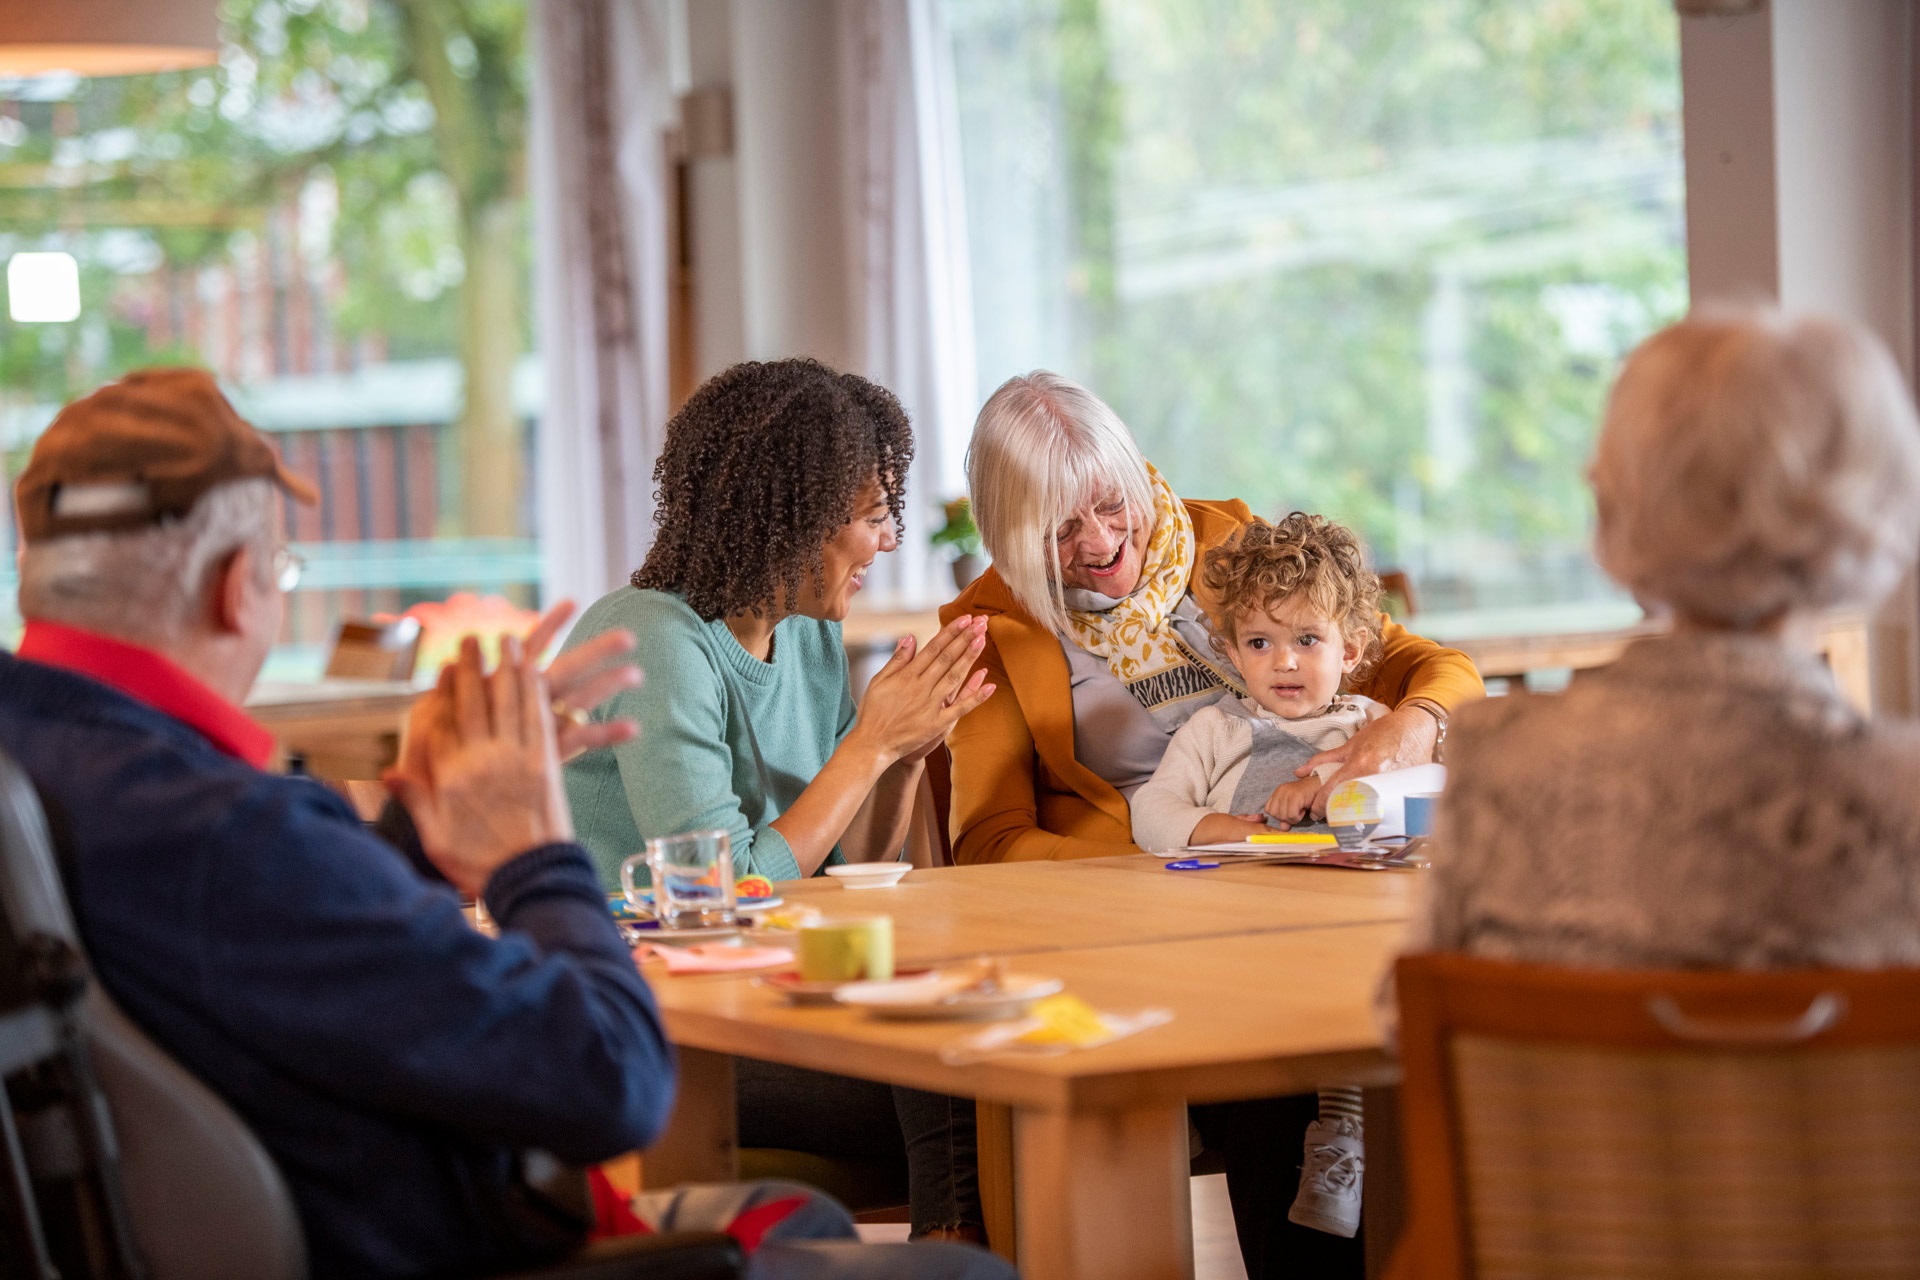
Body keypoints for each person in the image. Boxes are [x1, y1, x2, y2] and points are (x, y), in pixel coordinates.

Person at [0, 367, 1012, 1280]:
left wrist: (412, 836)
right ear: (239, 590)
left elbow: (322, 958)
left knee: (821, 1206)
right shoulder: (235, 835)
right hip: (471, 1242)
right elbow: (606, 1076)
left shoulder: (57, 782)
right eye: (287, 569)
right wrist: (532, 850)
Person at [940, 370, 1483, 1277]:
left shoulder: (1223, 539)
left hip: (1311, 879)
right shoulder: (991, 631)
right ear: (1011, 533)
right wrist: (1185, 847)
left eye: (1110, 505)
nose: (1102, 542)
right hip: (1152, 914)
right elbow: (989, 844)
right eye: (1061, 529)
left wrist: (1410, 722)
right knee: (1280, 1060)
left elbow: (1428, 663)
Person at [561, 358, 993, 1242]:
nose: (886, 542)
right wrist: (867, 744)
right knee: (964, 1073)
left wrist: (901, 753)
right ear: (790, 518)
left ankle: (955, 1257)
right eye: (872, 517)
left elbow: (835, 871)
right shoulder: (650, 638)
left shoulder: (808, 638)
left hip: (766, 993)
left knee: (981, 1046)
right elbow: (723, 891)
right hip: (645, 1020)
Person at [1397, 307, 1920, 979]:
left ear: (1616, 500)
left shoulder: (1498, 758)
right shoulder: (1902, 791)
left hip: (1561, 1090)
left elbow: (1413, 1016)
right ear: (1876, 507)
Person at [1130, 512, 1387, 1241]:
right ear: (1231, 652)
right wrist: (1244, 833)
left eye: (1308, 641)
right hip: (1236, 947)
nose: (1285, 663)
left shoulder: (1366, 728)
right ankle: (1182, 1104)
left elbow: (1416, 792)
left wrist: (1335, 785)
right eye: (1260, 643)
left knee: (1346, 1023)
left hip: (1335, 938)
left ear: (1351, 649)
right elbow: (1152, 812)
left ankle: (1343, 1130)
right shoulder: (1214, 731)